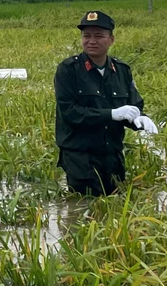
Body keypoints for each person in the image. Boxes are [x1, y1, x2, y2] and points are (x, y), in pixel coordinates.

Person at [54, 11, 158, 196]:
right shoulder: (69, 70)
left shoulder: (121, 70)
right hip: (80, 156)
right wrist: (111, 114)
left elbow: (132, 106)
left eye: (98, 36)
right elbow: (69, 113)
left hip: (112, 156)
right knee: (84, 210)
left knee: (115, 210)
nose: (91, 41)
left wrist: (140, 119)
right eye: (86, 36)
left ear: (111, 39)